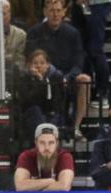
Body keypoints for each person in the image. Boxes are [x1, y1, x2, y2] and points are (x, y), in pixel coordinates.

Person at [25, 0, 92, 140]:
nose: (55, 14)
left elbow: (78, 62)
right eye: (51, 11)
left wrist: (68, 77)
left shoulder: (73, 33)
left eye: (58, 11)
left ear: (64, 12)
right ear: (45, 12)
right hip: (42, 78)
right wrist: (41, 74)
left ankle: (76, 128)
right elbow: (30, 59)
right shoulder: (34, 32)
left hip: (67, 78)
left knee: (85, 80)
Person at [15, 48, 66, 140]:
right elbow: (29, 101)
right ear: (29, 65)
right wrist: (39, 82)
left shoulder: (56, 77)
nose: (38, 66)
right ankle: (44, 136)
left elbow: (57, 102)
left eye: (42, 63)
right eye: (35, 63)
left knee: (55, 116)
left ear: (48, 65)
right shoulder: (24, 78)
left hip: (51, 113)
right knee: (35, 110)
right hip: (32, 114)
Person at [13, 122, 74, 191]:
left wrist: (34, 187)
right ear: (36, 142)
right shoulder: (26, 156)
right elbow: (20, 186)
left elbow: (64, 186)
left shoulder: (64, 156)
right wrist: (50, 181)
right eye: (42, 143)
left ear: (57, 143)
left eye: (51, 143)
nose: (47, 148)